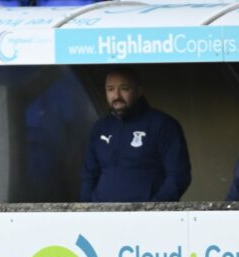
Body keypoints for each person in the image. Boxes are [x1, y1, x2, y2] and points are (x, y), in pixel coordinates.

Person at [80, 67, 191, 202]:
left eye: (124, 89)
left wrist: (154, 210)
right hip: (102, 218)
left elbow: (179, 176)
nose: (116, 96)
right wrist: (88, 208)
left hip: (148, 219)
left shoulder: (163, 125)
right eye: (110, 89)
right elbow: (89, 175)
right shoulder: (100, 128)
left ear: (139, 91)